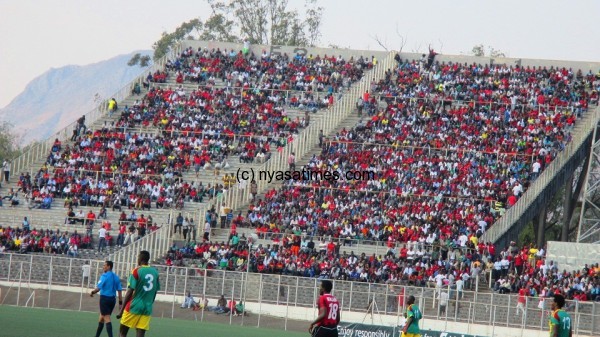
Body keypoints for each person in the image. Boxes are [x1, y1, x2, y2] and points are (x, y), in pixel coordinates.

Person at [117, 250, 160, 337]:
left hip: (134, 305)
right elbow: (155, 291)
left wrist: (121, 310)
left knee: (122, 332)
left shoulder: (136, 271)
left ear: (140, 259)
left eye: (138, 257)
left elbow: (130, 291)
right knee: (140, 334)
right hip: (147, 307)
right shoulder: (155, 272)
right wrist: (150, 303)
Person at [90, 261, 123, 337]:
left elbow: (98, 288)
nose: (103, 267)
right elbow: (119, 290)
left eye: (104, 265)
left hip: (104, 299)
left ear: (109, 267)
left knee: (107, 318)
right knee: (102, 318)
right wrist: (120, 302)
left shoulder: (104, 276)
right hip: (112, 300)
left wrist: (92, 292)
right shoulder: (116, 277)